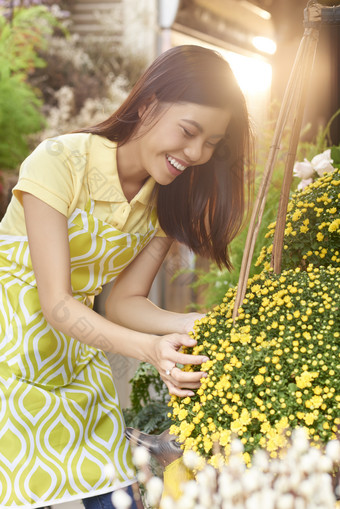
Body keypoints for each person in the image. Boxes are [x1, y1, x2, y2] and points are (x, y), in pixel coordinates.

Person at [0, 44, 252, 508]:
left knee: (119, 496)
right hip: (6, 366)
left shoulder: (163, 202)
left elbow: (122, 302)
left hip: (73, 368)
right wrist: (149, 350)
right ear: (148, 103)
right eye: (189, 131)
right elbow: (56, 303)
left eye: (212, 143)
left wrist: (194, 325)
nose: (196, 153)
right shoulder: (59, 163)